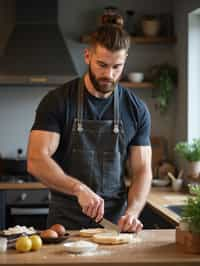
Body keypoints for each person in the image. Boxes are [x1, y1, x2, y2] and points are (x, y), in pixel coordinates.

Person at [27, 24, 152, 233]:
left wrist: (132, 212)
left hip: (113, 226)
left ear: (125, 61)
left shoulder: (136, 109)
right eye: (102, 65)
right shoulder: (57, 101)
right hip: (65, 225)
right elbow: (36, 160)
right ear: (87, 56)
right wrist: (78, 188)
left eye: (117, 67)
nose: (109, 75)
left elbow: (142, 170)